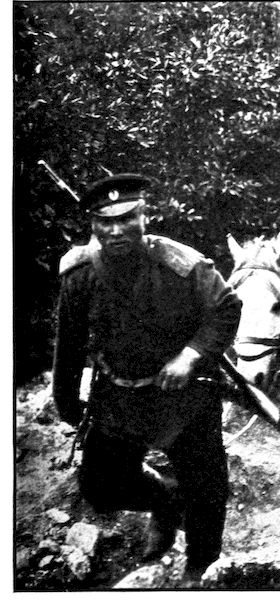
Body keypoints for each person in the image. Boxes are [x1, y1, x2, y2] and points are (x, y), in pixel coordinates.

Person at [51, 173, 242, 584]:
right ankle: (166, 499)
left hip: (184, 396)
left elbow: (226, 307)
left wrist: (190, 356)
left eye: (126, 218)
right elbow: (68, 344)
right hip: (118, 396)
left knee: (205, 483)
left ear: (144, 216)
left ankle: (200, 567)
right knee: (100, 487)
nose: (116, 230)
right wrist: (66, 402)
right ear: (93, 224)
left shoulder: (181, 264)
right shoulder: (80, 274)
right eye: (105, 221)